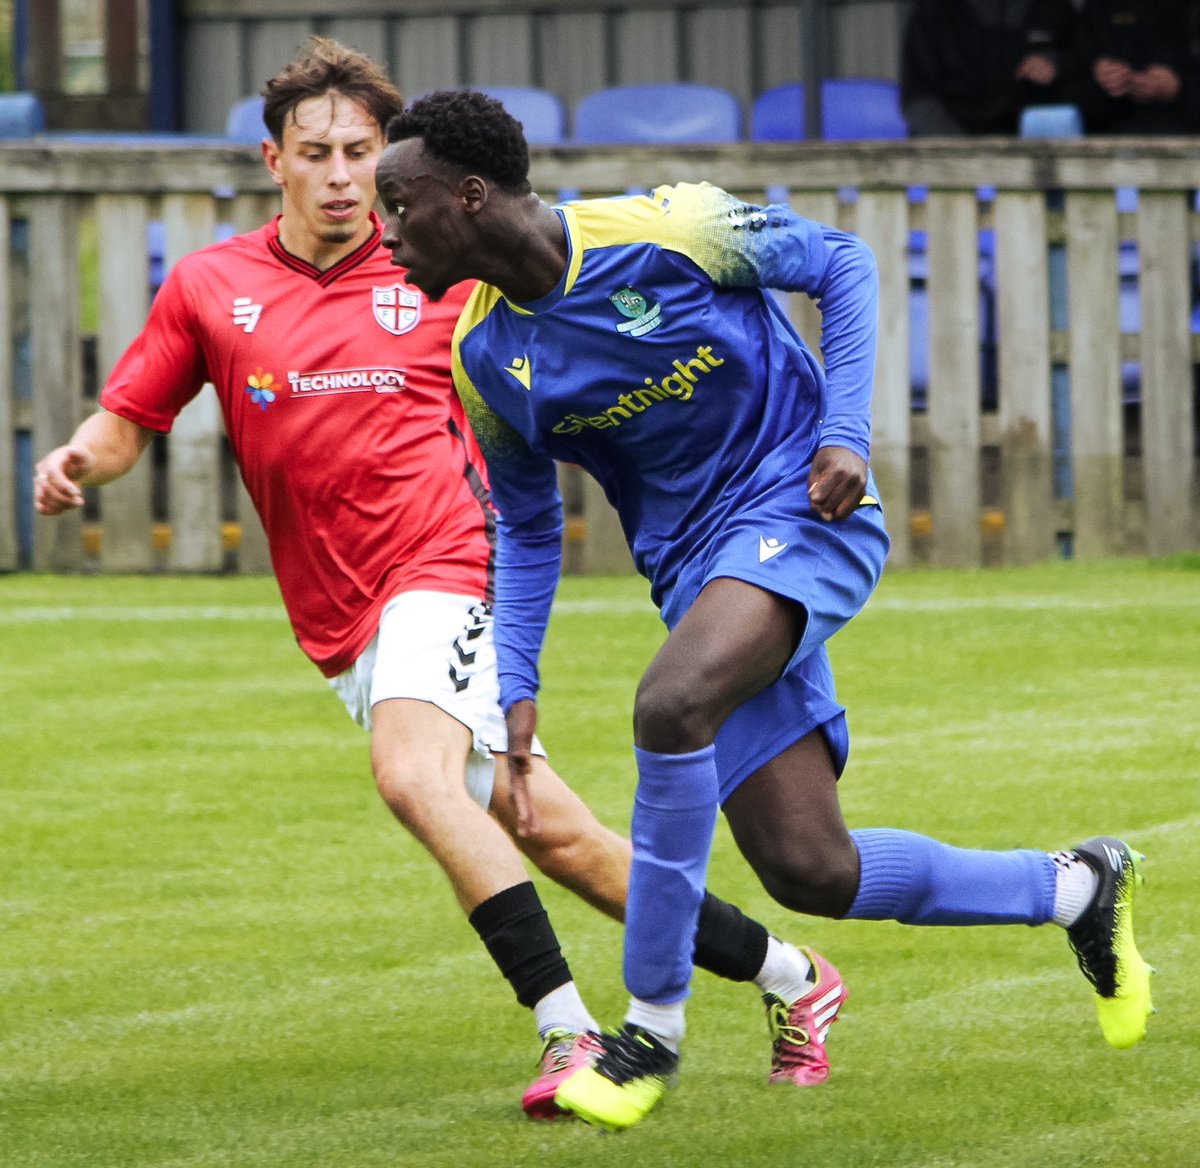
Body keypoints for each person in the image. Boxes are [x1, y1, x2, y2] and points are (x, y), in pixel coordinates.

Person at [32, 38, 843, 1121]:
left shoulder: (439, 269)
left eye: (359, 154)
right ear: (273, 160)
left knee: (413, 776)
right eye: (315, 153)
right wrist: (79, 459)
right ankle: (794, 975)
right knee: (556, 835)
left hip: (449, 566)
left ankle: (569, 1030)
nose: (340, 176)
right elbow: (130, 417)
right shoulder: (211, 286)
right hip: (341, 617)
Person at [375, 89, 1156, 1131]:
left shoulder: (672, 228)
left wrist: (845, 432)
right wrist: (515, 681)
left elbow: (843, 262)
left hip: (804, 506)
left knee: (670, 705)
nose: (385, 233)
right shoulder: (483, 360)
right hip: (703, 582)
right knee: (809, 867)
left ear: (470, 196)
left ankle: (648, 1033)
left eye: (400, 204)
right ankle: (1075, 887)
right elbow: (523, 526)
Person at [900, 0, 1077, 135]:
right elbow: (918, 98)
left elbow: (1079, 63)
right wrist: (961, 149)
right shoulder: (934, 10)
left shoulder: (1051, 6)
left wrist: (1055, 62)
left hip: (1033, 146)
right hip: (951, 141)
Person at [1066, 0, 1196, 134]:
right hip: (1109, 126)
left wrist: (1178, 87)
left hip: (1181, 126)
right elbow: (1070, 84)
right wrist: (1098, 73)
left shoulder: (1187, 11)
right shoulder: (1095, 10)